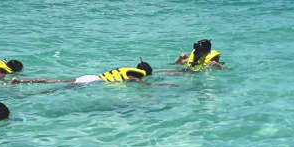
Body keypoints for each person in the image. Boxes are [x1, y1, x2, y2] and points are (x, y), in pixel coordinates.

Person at [11, 60, 177, 89]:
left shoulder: (126, 70)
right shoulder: (134, 76)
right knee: (58, 89)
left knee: (55, 81)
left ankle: (21, 81)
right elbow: (147, 84)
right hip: (90, 83)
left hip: (90, 76)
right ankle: (27, 93)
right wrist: (165, 84)